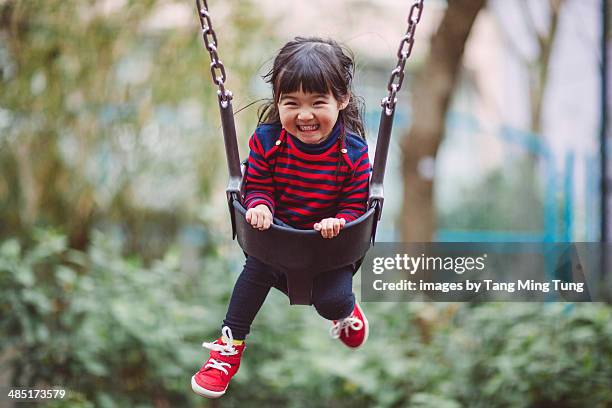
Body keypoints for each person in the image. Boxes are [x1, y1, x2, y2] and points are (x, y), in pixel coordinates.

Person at [191, 37, 371, 399]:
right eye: (292, 104)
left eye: (317, 103)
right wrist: (260, 205)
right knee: (253, 273)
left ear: (342, 100)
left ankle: (347, 313)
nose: (304, 115)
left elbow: (357, 201)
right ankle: (228, 349)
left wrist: (339, 219)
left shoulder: (353, 151)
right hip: (277, 239)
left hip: (330, 248)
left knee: (331, 303)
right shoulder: (268, 140)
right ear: (278, 102)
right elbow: (257, 183)